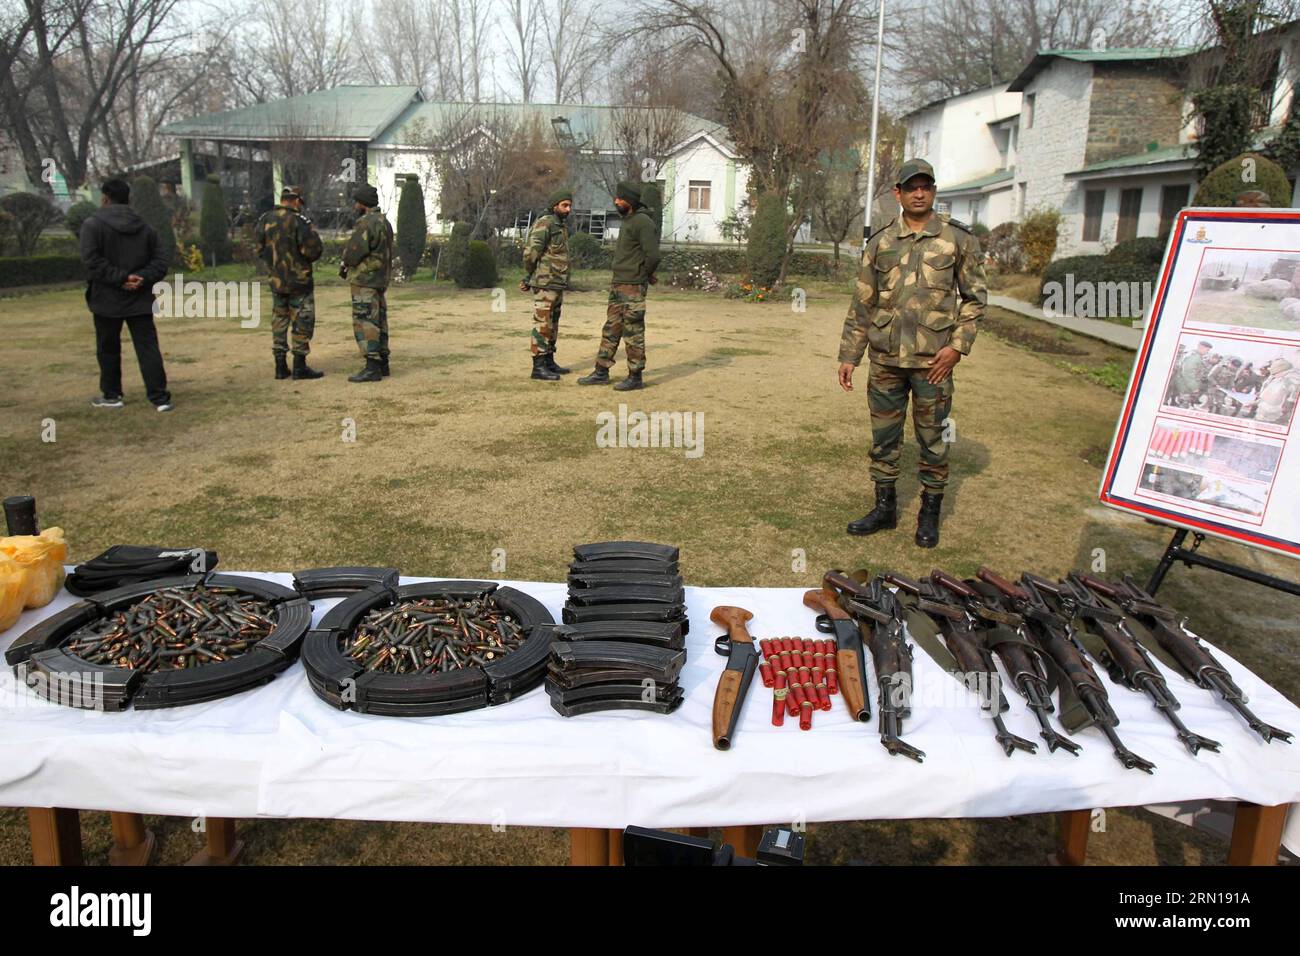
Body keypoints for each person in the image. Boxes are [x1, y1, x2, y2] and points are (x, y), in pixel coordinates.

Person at [837, 158, 986, 549]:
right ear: (897, 193)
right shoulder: (880, 242)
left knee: (932, 439)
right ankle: (884, 509)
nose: (920, 193)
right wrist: (850, 355)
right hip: (885, 359)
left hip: (932, 364)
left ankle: (928, 514)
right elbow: (862, 304)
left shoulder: (958, 240)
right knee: (884, 439)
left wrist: (957, 347)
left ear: (933, 191)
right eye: (912, 187)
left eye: (926, 186)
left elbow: (975, 301)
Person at [79, 178, 173, 411]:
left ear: (104, 198)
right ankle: (159, 397)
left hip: (106, 297)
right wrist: (140, 277)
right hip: (139, 298)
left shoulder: (92, 225)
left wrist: (120, 278)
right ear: (129, 198)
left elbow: (92, 261)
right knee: (147, 347)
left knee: (108, 348)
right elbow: (161, 262)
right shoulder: (146, 228)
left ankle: (112, 395)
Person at [577, 181, 660, 391]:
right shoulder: (629, 221)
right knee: (611, 329)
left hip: (633, 287)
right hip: (618, 284)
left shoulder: (643, 223)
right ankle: (601, 371)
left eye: (619, 198)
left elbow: (653, 255)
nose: (615, 201)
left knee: (633, 331)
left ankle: (635, 376)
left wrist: (644, 274)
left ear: (629, 201)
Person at [254, 185, 325, 380]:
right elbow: (314, 250)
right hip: (299, 282)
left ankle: (280, 366)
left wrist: (274, 264)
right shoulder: (299, 222)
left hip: (276, 281)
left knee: (279, 321)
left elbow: (259, 249)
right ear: (296, 200)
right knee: (302, 321)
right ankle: (300, 366)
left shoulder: (265, 220)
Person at [341, 184, 394, 383]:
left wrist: (345, 262)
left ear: (362, 203)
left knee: (365, 321)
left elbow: (353, 252)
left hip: (365, 280)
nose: (355, 205)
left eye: (357, 201)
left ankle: (372, 366)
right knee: (380, 320)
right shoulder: (384, 222)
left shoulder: (366, 223)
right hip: (380, 279)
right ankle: (383, 362)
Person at [522, 188, 573, 381]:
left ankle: (549, 360)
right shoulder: (546, 223)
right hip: (545, 282)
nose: (568, 209)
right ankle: (538, 365)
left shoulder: (560, 225)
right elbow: (531, 252)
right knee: (542, 323)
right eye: (565, 205)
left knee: (553, 323)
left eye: (569, 205)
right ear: (555, 205)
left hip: (557, 282)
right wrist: (529, 274)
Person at [1254, 357, 1300, 424]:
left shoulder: (1292, 382)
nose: (1273, 375)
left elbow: (1289, 403)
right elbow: (1266, 392)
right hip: (1262, 413)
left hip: (1275, 418)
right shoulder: (1274, 377)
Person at [1171, 340, 1212, 406]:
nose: (1207, 352)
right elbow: (1187, 373)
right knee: (1184, 405)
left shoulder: (1196, 356)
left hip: (1186, 385)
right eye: (1207, 350)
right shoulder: (1194, 357)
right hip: (1186, 387)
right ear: (1201, 347)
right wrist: (1194, 388)